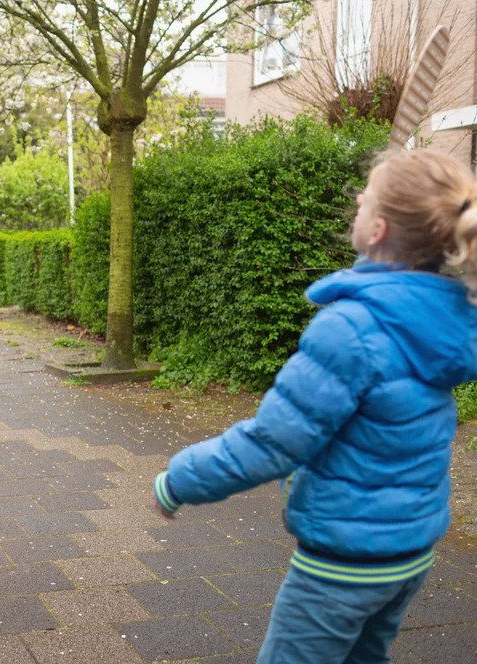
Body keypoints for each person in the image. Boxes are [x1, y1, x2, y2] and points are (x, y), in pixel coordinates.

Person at [151, 148, 477, 663]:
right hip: (409, 552)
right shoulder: (448, 317)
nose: (355, 208)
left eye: (362, 202)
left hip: (345, 561)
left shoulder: (351, 328)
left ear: (377, 230)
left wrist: (180, 478)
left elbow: (275, 441)